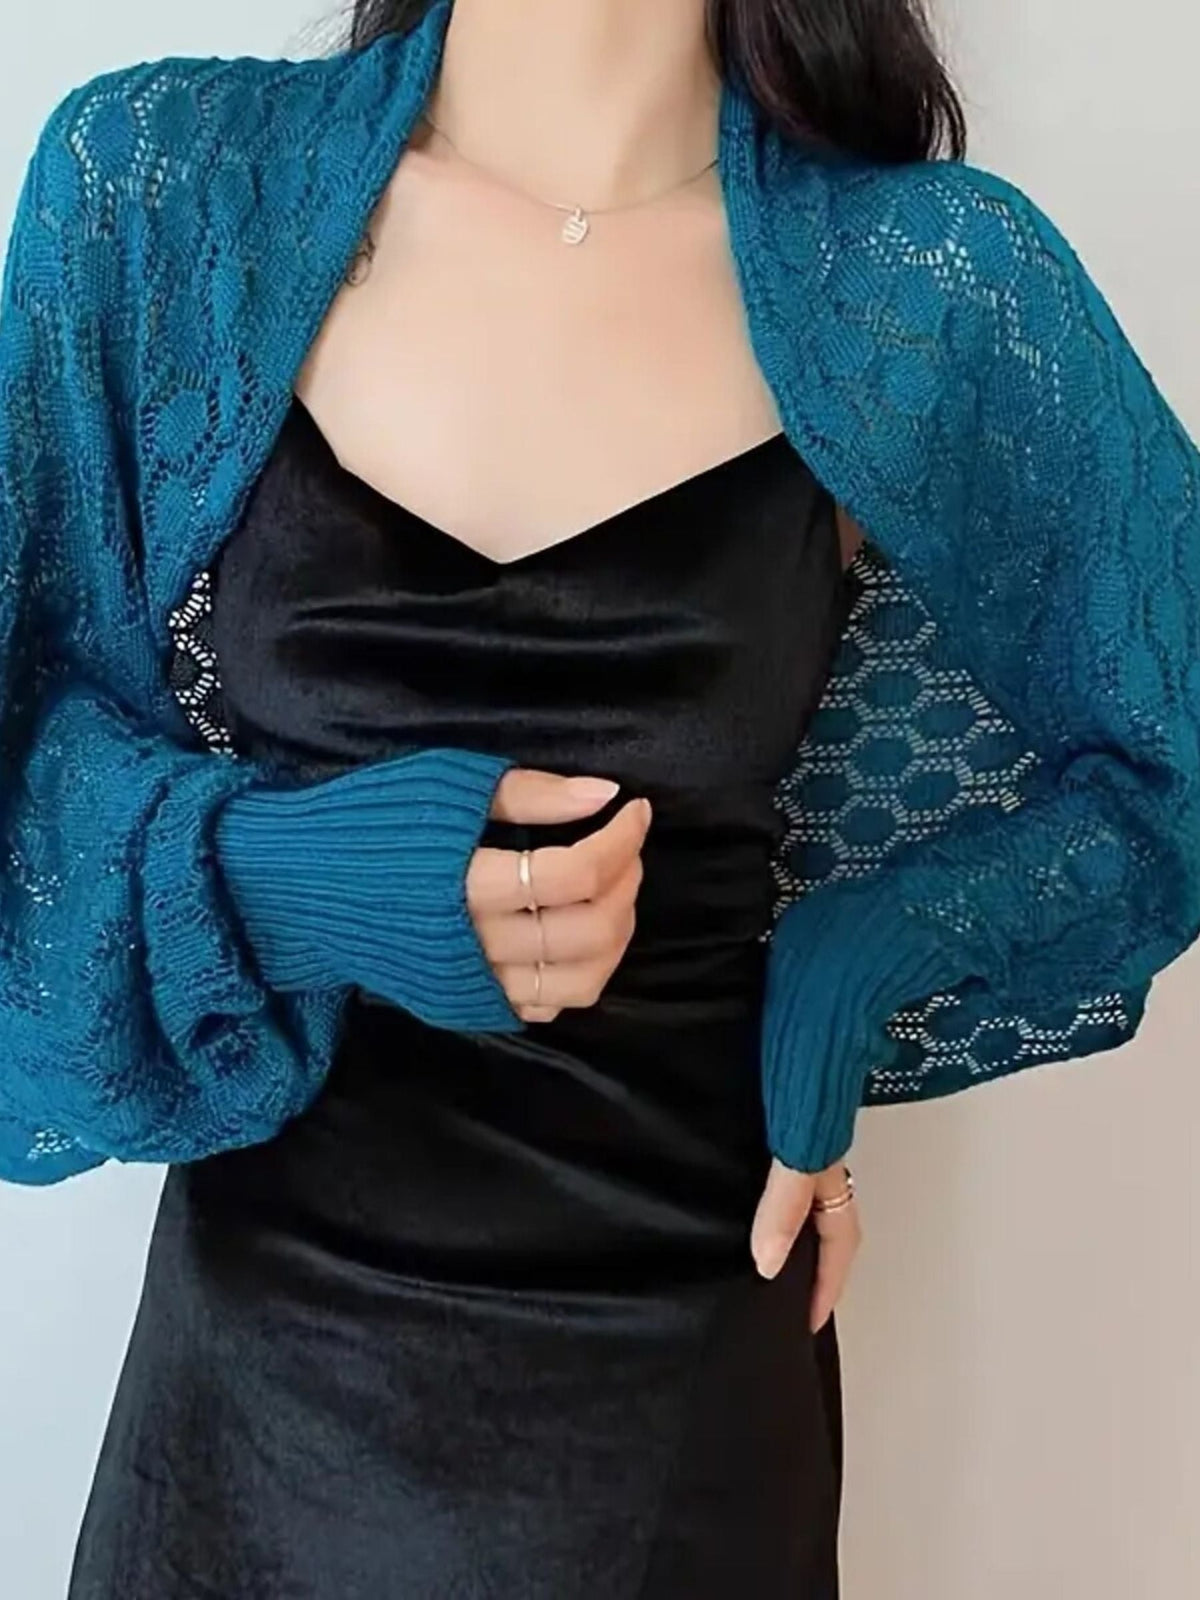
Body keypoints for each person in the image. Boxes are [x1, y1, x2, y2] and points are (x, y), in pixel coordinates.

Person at [1, 0, 1197, 1595]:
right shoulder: (164, 197)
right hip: (258, 1405)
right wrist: (287, 879)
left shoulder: (919, 289)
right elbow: (22, 763)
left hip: (676, 1393)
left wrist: (871, 954)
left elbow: (1173, 750)